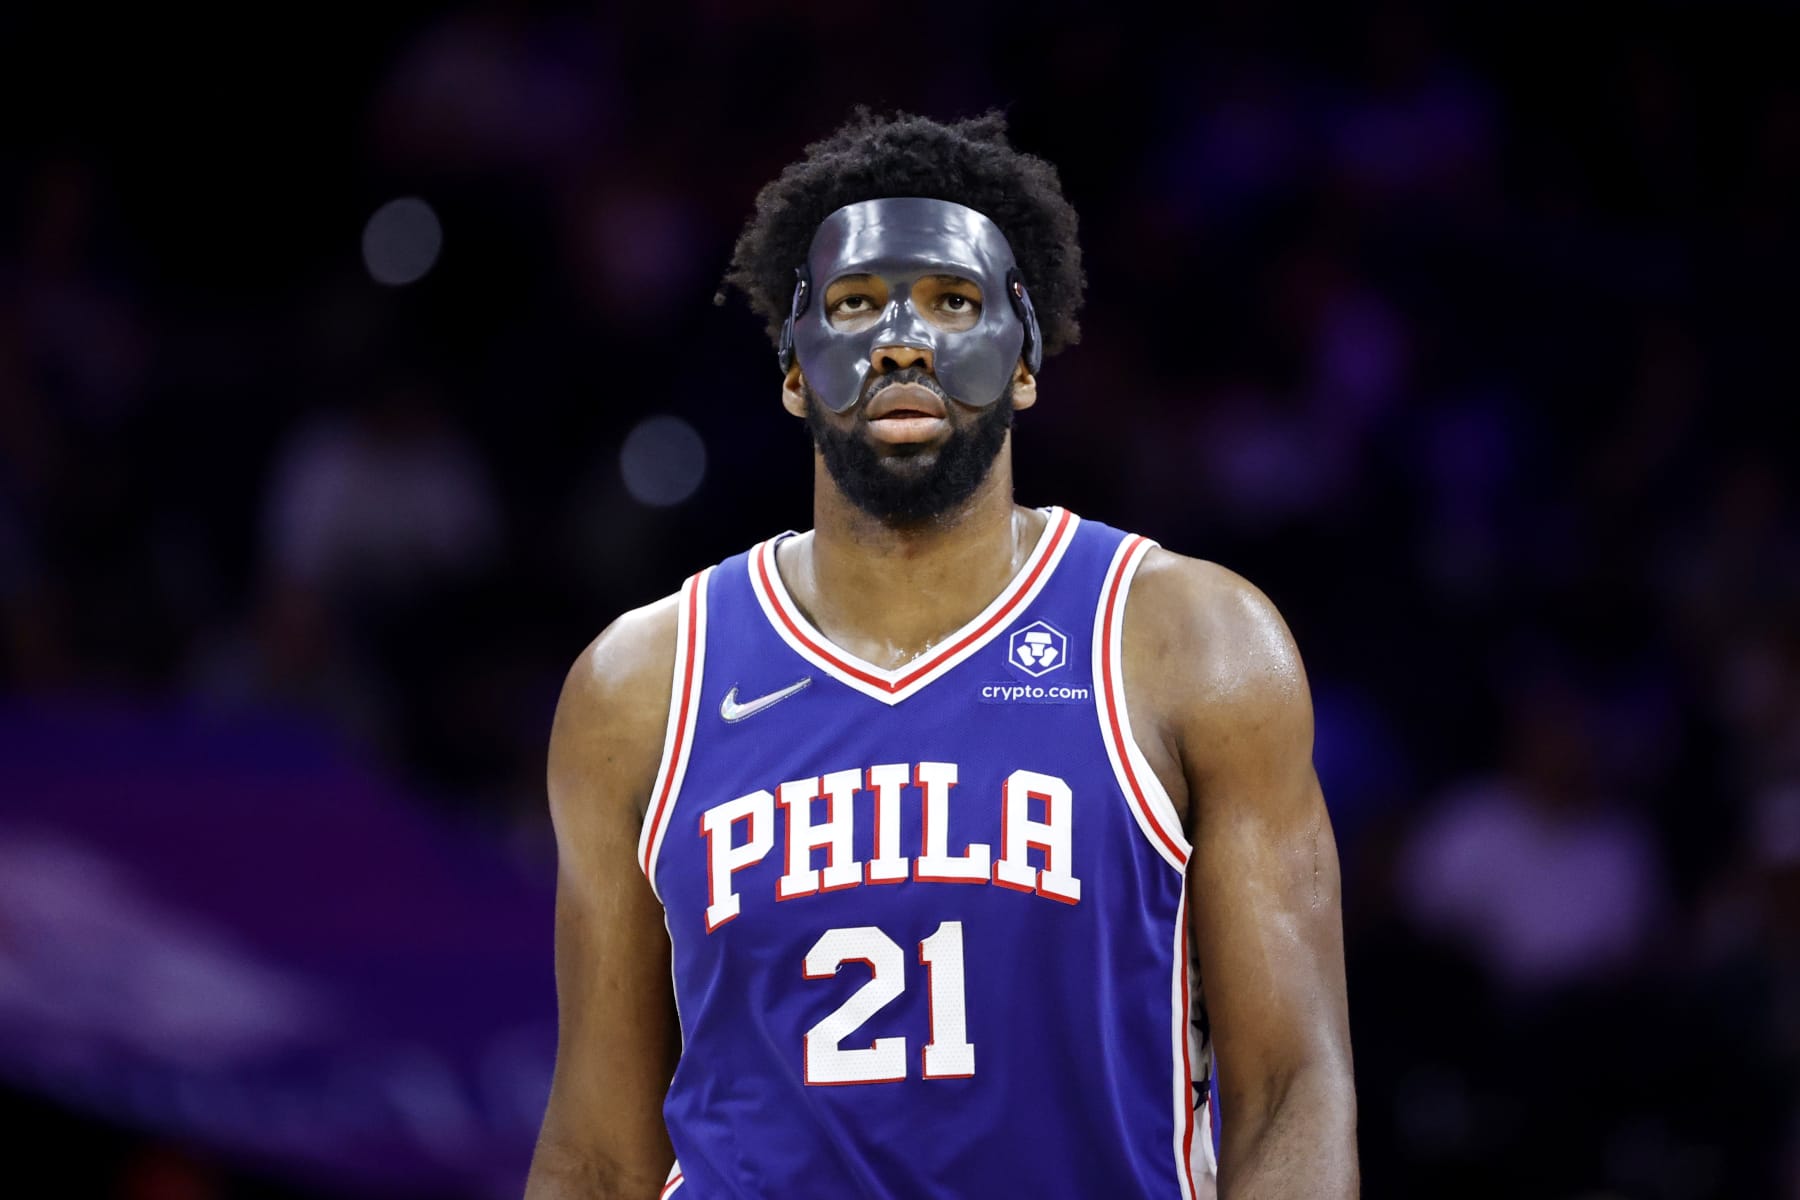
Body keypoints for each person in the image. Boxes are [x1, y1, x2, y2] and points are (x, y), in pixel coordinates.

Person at [525, 110, 1356, 1199]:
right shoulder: (640, 687)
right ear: (792, 368)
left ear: (1024, 358)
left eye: (953, 303)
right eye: (857, 306)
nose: (903, 342)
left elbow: (1292, 1083)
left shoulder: (1190, 641)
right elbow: (596, 1152)